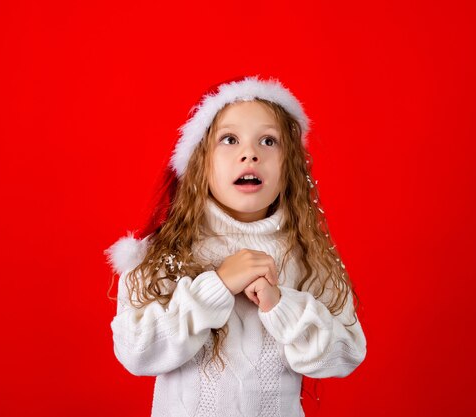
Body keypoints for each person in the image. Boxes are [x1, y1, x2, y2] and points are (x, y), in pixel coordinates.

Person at [104, 75, 367, 417]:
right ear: (200, 161)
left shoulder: (306, 255)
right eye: (229, 139)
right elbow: (136, 351)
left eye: (268, 141)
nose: (250, 154)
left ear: (289, 165)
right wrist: (217, 286)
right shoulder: (167, 252)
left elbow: (346, 354)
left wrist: (282, 306)